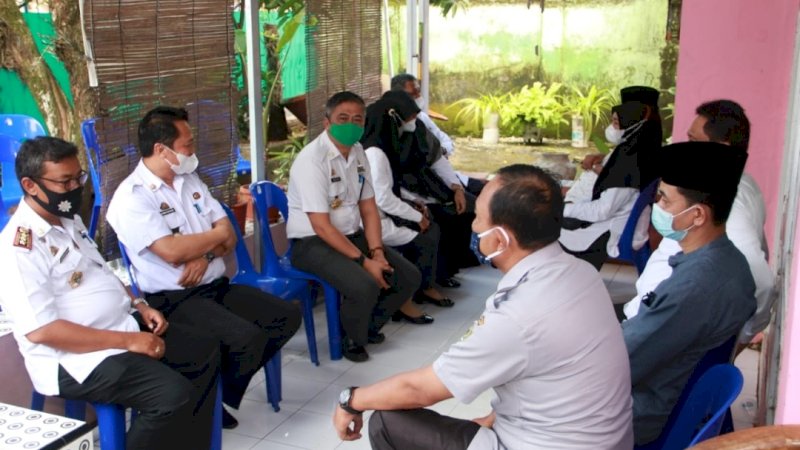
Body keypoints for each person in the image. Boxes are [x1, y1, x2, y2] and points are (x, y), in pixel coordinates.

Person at [332, 164, 634, 450]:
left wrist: (352, 399)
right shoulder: (579, 272)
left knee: (388, 420)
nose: (473, 226)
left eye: (477, 218)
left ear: (500, 238)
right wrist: (492, 422)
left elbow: (420, 389)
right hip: (598, 439)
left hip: (547, 443)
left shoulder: (519, 315)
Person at [0, 137, 219, 450]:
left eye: (79, 177)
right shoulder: (18, 247)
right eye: (65, 181)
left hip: (118, 328)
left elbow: (100, 273)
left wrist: (139, 305)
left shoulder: (69, 221)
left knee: (203, 350)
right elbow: (43, 330)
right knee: (171, 395)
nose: (76, 187)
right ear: (30, 185)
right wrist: (130, 341)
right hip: (74, 359)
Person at [106, 106, 301, 429]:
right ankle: (208, 398)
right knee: (245, 338)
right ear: (161, 150)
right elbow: (171, 251)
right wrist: (215, 239)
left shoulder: (189, 178)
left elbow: (228, 236)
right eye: (187, 145)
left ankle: (215, 395)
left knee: (284, 316)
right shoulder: (132, 197)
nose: (192, 150)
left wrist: (206, 255)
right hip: (174, 298)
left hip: (214, 284)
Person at [622, 141, 756, 445]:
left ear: (697, 215)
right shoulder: (726, 261)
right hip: (668, 399)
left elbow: (621, 362)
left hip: (642, 413)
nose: (657, 206)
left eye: (665, 200)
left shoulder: (698, 284)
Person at [623, 100, 774, 348]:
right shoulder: (741, 186)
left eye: (694, 142)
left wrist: (739, 339)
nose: (686, 148)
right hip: (651, 321)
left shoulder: (729, 203)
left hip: (662, 336)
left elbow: (761, 279)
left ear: (721, 149)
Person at [286, 91, 421, 362]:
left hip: (350, 234)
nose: (350, 124)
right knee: (364, 284)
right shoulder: (312, 161)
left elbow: (369, 208)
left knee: (407, 276)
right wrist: (364, 261)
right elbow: (322, 226)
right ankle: (350, 341)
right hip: (312, 242)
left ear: (363, 123)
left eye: (357, 119)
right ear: (327, 123)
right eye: (342, 118)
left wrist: (377, 251)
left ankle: (366, 327)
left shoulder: (359, 152)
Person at [361, 90, 455, 313]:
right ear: (394, 119)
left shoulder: (384, 145)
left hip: (382, 211)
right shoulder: (375, 152)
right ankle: (409, 296)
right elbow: (383, 197)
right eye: (411, 117)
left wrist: (412, 203)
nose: (413, 122)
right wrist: (415, 216)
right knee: (426, 234)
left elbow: (388, 187)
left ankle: (422, 286)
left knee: (431, 223)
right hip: (374, 219)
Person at [560, 99, 660, 270]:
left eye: (615, 123)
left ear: (630, 125)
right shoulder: (631, 151)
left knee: (544, 227)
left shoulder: (628, 164)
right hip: (612, 215)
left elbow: (603, 209)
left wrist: (562, 208)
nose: (611, 129)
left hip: (610, 228)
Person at [390, 73, 486, 196]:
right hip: (425, 185)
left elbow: (444, 141)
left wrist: (442, 151)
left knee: (488, 188)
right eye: (412, 94)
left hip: (443, 175)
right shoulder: (392, 128)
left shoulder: (422, 119)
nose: (418, 97)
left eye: (418, 92)